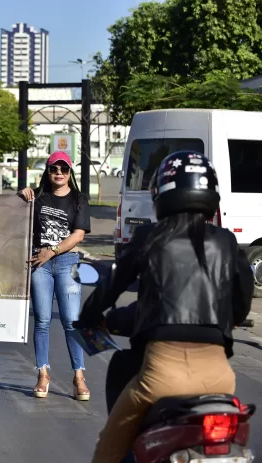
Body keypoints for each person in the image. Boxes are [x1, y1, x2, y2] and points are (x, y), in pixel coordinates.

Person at [75, 150, 254, 463]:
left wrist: (91, 316)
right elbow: (240, 305)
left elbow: (111, 286)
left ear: (160, 192)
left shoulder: (150, 237)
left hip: (162, 376)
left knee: (110, 446)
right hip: (221, 380)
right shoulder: (227, 242)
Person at [19, 150, 91, 401]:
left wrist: (53, 251)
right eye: (54, 169)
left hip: (67, 263)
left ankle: (79, 377)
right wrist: (21, 196)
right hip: (40, 264)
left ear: (70, 173)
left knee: (71, 321)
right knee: (42, 320)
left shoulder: (79, 199)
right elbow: (16, 217)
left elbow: (78, 234)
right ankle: (43, 373)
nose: (59, 173)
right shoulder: (38, 198)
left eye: (64, 169)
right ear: (47, 173)